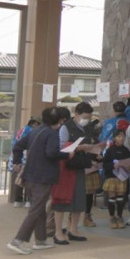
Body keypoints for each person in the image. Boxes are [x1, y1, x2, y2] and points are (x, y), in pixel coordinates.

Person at [7, 108, 68, 254]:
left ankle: (40, 240)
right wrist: (67, 154)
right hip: (43, 177)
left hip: (30, 175)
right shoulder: (52, 134)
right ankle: (18, 240)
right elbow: (51, 153)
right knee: (35, 210)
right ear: (60, 120)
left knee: (38, 208)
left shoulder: (35, 131)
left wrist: (16, 161)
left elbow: (18, 146)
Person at [50, 103, 99, 244]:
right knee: (61, 199)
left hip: (81, 165)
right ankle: (58, 232)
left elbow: (92, 142)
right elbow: (61, 147)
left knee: (79, 197)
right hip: (65, 168)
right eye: (84, 117)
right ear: (76, 114)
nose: (86, 120)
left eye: (89, 118)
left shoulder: (89, 128)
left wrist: (93, 149)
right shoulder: (66, 127)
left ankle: (73, 229)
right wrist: (79, 147)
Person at [101, 129, 130, 228]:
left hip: (122, 177)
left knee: (120, 197)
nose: (122, 138)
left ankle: (119, 216)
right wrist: (113, 166)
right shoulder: (110, 150)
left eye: (123, 136)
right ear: (114, 138)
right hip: (111, 176)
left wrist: (128, 166)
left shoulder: (126, 150)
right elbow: (104, 164)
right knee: (112, 197)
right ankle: (112, 217)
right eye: (119, 136)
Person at [9, 117, 39, 208]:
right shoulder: (31, 131)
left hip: (15, 156)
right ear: (34, 124)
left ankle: (17, 200)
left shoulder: (21, 130)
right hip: (25, 156)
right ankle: (28, 200)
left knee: (19, 178)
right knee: (28, 179)